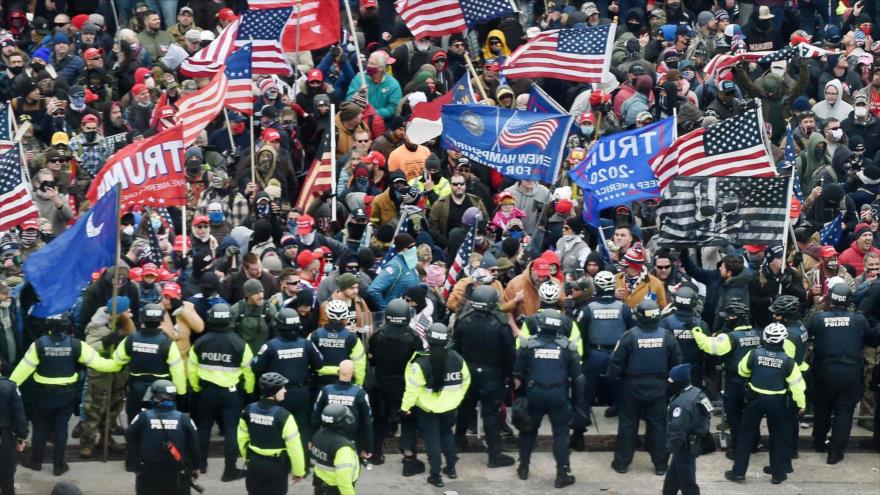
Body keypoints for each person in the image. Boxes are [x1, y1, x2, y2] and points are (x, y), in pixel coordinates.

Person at [12, 312, 119, 476]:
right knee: (61, 429)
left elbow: (20, 373)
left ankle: (36, 462)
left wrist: (7, 387)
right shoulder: (77, 345)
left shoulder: (39, 345)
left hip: (43, 396)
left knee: (40, 429)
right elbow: (101, 364)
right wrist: (119, 363)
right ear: (67, 326)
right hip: (66, 395)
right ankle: (59, 466)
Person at [607, 299, 682, 475]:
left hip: (632, 386)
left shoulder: (629, 336)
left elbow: (615, 364)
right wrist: (670, 385)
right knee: (658, 426)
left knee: (628, 424)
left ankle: (622, 463)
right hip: (659, 386)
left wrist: (614, 383)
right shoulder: (667, 336)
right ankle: (661, 465)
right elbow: (678, 363)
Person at [807, 282, 880, 464]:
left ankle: (818, 443)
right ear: (849, 301)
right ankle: (835, 452)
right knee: (844, 411)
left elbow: (804, 332)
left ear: (830, 298)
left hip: (823, 369)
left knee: (822, 408)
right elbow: (871, 339)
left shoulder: (818, 318)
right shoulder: (858, 320)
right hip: (850, 370)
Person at [724, 323, 806, 485]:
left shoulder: (753, 354)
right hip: (777, 403)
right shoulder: (788, 362)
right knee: (777, 438)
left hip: (754, 400)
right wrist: (801, 405)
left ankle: (738, 472)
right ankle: (778, 474)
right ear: (783, 340)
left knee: (745, 436)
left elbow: (742, 371)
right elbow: (798, 387)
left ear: (765, 338)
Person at [513, 307, 584, 488]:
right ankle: (562, 473)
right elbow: (578, 380)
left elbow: (517, 375)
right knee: (561, 434)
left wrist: (519, 399)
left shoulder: (528, 346)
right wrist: (578, 405)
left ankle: (523, 467)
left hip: (534, 393)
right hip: (558, 395)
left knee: (528, 431)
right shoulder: (568, 347)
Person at [188, 303, 255, 481]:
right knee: (232, 430)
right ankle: (229, 470)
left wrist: (196, 388)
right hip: (231, 394)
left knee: (203, 428)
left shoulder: (200, 342)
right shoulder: (240, 343)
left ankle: (200, 465)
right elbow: (249, 371)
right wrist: (248, 392)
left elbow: (192, 369)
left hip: (206, 392)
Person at [452, 285, 516, 467]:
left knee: (464, 410)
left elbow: (455, 350)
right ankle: (494, 455)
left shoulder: (463, 321)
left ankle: (458, 442)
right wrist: (508, 375)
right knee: (491, 415)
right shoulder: (500, 325)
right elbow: (509, 354)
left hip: (468, 374)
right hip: (492, 376)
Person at [401, 323, 470, 488]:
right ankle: (451, 468)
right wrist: (456, 399)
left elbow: (412, 389)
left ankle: (435, 475)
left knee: (432, 440)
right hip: (450, 407)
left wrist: (405, 407)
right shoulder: (456, 358)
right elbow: (466, 380)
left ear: (428, 338)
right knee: (447, 435)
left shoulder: (421, 362)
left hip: (428, 409)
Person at [691, 298, 762, 458]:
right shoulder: (758, 333)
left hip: (736, 382)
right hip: (756, 382)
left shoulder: (731, 337)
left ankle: (738, 449)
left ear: (736, 317)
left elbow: (710, 347)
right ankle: (754, 444)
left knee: (735, 416)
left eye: (729, 316)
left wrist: (695, 330)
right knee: (752, 416)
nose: (726, 319)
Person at [252, 309, 323, 457]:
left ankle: (281, 459)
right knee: (302, 427)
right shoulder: (306, 344)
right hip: (301, 392)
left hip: (277, 393)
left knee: (278, 426)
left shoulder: (270, 346)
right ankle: (302, 463)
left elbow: (256, 366)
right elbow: (319, 363)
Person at [574, 271, 632, 448]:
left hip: (595, 353)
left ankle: (579, 431)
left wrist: (582, 357)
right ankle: (625, 425)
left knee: (587, 392)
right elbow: (631, 332)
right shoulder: (624, 308)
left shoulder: (587, 309)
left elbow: (580, 335)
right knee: (621, 388)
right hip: (617, 353)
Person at [367, 298, 424, 469]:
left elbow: (373, 360)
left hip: (381, 383)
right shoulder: (413, 337)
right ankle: (409, 458)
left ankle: (375, 454)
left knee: (379, 420)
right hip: (405, 385)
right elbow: (418, 361)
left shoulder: (377, 336)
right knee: (408, 421)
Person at [113, 304, 186, 426]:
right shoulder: (167, 343)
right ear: (161, 320)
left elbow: (117, 360)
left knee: (134, 421)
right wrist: (181, 393)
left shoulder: (131, 339)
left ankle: (134, 444)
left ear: (142, 318)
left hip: (136, 389)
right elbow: (177, 371)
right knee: (161, 423)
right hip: (162, 391)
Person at [124, 380, 200, 495]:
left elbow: (129, 436)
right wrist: (196, 466)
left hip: (148, 469)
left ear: (154, 396)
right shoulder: (184, 419)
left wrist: (135, 459)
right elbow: (194, 444)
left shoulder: (143, 417)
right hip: (177, 469)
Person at [237, 372, 306, 495]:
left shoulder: (248, 410)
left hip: (254, 464)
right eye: (282, 388)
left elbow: (241, 438)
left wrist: (248, 457)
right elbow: (295, 448)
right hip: (276, 467)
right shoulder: (284, 416)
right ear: (274, 391)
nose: (285, 390)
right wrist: (298, 472)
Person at [663, 363, 712, 495]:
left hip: (684, 447)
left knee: (688, 483)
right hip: (692, 443)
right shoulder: (698, 393)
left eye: (671, 380)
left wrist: (668, 449)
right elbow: (708, 414)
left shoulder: (681, 403)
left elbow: (678, 431)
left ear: (680, 382)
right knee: (672, 480)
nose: (669, 382)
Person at [311, 360, 374, 460]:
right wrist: (367, 447)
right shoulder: (360, 393)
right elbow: (367, 422)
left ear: (338, 371)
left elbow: (315, 417)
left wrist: (312, 439)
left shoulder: (325, 390)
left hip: (327, 438)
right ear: (353, 373)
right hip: (351, 440)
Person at [658, 286, 709, 389]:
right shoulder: (701, 325)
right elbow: (708, 353)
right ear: (694, 302)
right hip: (694, 373)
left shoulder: (665, 323)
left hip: (671, 373)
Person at [309, 299, 366, 388]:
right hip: (345, 382)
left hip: (319, 382)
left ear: (327, 315)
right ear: (346, 317)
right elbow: (359, 364)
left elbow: (307, 360)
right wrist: (359, 384)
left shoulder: (314, 335)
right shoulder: (352, 338)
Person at [309, 404, 361, 495]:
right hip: (336, 490)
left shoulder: (318, 435)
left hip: (320, 486)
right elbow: (343, 481)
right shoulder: (343, 447)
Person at [0, 359, 27, 495]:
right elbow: (19, 415)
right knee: (6, 476)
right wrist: (21, 437)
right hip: (3, 438)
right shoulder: (9, 387)